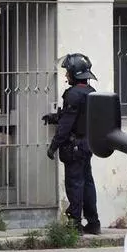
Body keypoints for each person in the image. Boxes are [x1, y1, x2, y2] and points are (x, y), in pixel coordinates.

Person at [47, 53, 100, 235]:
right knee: (88, 183)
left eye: (68, 72)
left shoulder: (73, 95)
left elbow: (67, 124)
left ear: (75, 73)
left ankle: (75, 224)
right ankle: (93, 222)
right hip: (88, 144)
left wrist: (53, 146)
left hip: (74, 146)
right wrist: (55, 117)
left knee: (75, 184)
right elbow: (79, 117)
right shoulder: (91, 93)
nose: (66, 75)